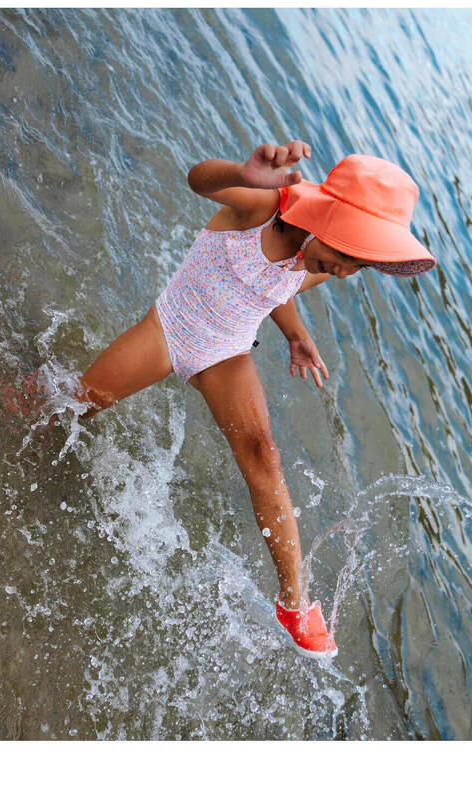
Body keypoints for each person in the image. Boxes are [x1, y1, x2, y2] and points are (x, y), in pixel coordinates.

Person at [69, 140, 437, 660]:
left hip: (227, 351)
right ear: (331, 221)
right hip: (171, 327)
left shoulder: (322, 259)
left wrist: (295, 334)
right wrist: (243, 172)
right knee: (74, 405)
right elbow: (197, 178)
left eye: (359, 265)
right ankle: (24, 408)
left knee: (264, 455)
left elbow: (276, 290)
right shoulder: (268, 205)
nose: (346, 272)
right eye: (348, 258)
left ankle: (295, 602)